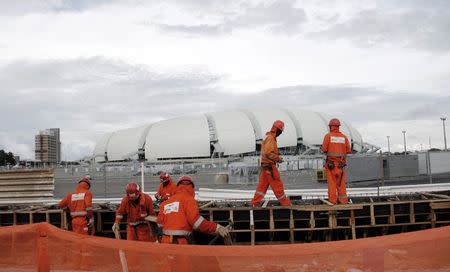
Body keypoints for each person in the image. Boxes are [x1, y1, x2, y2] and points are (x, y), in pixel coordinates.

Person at [157, 175, 229, 244]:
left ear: (178, 186)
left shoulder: (165, 203)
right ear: (192, 187)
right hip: (180, 243)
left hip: (165, 242)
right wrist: (217, 227)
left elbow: (160, 223)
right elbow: (196, 223)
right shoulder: (189, 200)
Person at [250, 120, 291, 206]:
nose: (280, 133)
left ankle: (254, 203)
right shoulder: (271, 138)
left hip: (265, 166)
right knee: (277, 184)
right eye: (280, 131)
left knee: (262, 187)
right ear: (276, 129)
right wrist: (278, 159)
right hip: (269, 166)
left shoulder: (268, 136)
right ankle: (286, 204)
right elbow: (269, 153)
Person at [321, 118, 352, 205]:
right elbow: (348, 150)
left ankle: (333, 201)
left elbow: (324, 149)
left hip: (331, 166)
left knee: (332, 184)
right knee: (341, 185)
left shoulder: (328, 136)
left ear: (331, 126)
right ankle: (343, 201)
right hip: (340, 166)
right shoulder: (344, 137)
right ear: (338, 127)